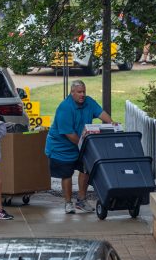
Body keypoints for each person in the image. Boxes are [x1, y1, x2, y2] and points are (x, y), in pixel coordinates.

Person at [45, 81, 114, 214]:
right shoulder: (65, 107)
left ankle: (81, 200)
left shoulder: (89, 102)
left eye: (84, 91)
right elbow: (69, 134)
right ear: (72, 93)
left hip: (80, 143)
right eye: (79, 92)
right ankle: (68, 203)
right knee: (67, 174)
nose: (82, 95)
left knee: (85, 170)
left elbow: (101, 113)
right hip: (61, 147)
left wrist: (112, 123)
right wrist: (85, 145)